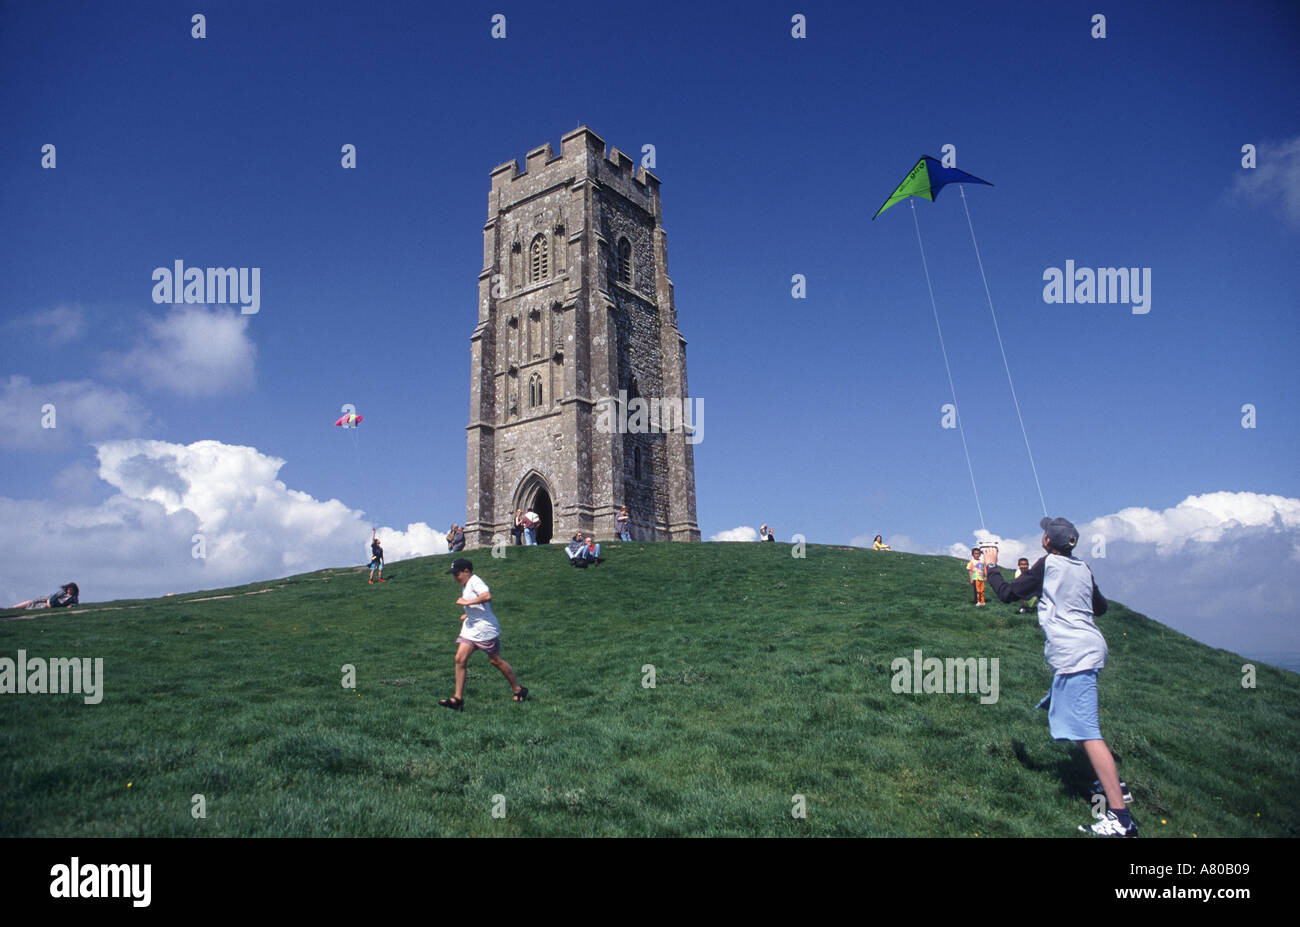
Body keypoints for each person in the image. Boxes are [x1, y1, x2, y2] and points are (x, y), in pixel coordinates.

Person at [987, 516, 1135, 837]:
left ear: (1046, 542)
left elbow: (1009, 595)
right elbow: (1101, 607)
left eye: (1044, 533)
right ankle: (1108, 782)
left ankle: (1121, 819)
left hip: (1075, 654)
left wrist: (991, 568)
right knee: (1078, 723)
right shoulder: (1082, 567)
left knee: (1088, 732)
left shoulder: (1048, 564)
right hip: (1089, 648)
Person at [438, 558, 526, 710]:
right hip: (471, 627)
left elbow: (487, 596)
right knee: (459, 659)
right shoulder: (466, 584)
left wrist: (467, 604)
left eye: (457, 574)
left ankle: (518, 689)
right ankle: (458, 699)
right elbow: (479, 604)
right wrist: (468, 614)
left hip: (485, 629)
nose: (455, 577)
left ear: (466, 571)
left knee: (495, 661)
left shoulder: (475, 581)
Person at [12, 582, 79, 610]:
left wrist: (71, 606)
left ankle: (16, 608)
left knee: (32, 607)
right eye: (69, 589)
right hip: (47, 599)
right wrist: (49, 601)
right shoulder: (61, 593)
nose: (69, 591)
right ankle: (14, 608)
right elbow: (54, 596)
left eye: (71, 590)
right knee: (31, 601)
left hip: (50, 605)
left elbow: (76, 604)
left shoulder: (73, 598)